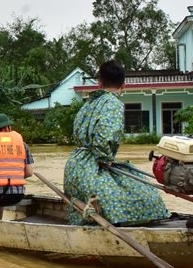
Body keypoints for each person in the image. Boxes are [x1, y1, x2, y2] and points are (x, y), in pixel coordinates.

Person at [63, 59, 170, 225]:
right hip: (92, 168)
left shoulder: (88, 104)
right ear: (124, 85)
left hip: (74, 168)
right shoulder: (113, 103)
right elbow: (102, 139)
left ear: (99, 83)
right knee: (148, 197)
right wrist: (106, 159)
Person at [0, 113, 35, 220]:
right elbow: (29, 172)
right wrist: (13, 176)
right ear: (7, 127)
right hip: (17, 195)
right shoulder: (23, 145)